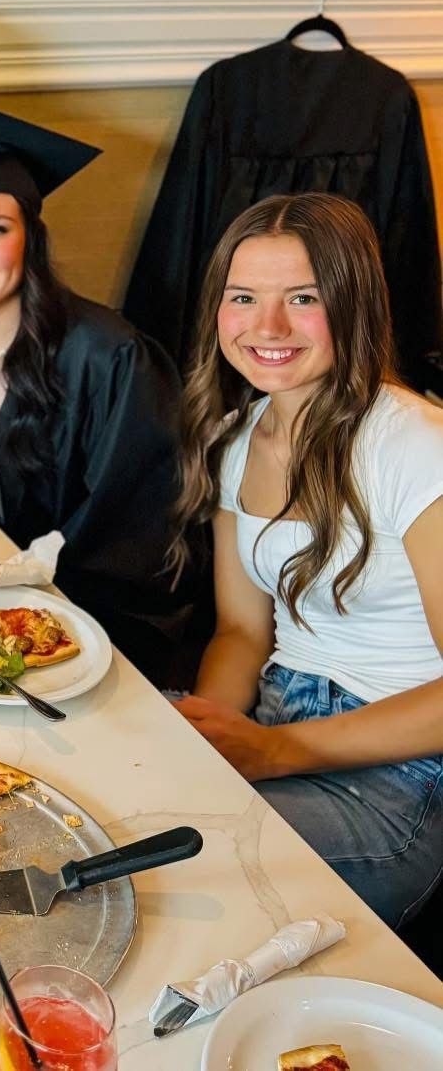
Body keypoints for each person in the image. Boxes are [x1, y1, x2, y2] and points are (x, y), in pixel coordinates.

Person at [168, 193, 443, 927]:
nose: (268, 327)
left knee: (181, 884)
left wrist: (273, 751)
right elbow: (242, 634)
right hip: (278, 715)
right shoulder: (237, 434)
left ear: (352, 305)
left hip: (400, 779)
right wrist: (211, 734)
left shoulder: (415, 445)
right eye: (243, 298)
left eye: (303, 298)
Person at [0, 102, 201, 684]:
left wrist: (25, 584)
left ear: (31, 241)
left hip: (87, 628)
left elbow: (137, 523)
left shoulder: (110, 359)